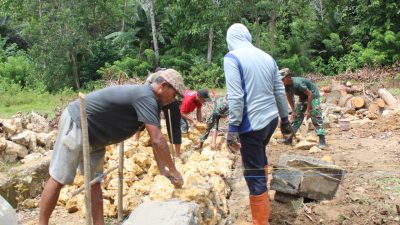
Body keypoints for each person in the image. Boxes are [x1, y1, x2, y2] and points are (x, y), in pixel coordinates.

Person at [38, 69, 185, 225]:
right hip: (78, 123)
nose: (173, 99)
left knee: (95, 182)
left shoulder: (152, 102)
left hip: (96, 136)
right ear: (163, 86)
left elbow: (156, 140)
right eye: (174, 94)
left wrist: (164, 170)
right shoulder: (146, 96)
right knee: (59, 178)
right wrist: (174, 171)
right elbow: (157, 140)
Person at [224, 23, 292, 225]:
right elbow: (279, 92)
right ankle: (264, 205)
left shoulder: (232, 58)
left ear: (230, 39)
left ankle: (260, 221)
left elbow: (235, 97)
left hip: (251, 125)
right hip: (270, 120)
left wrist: (232, 128)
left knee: (253, 175)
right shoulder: (267, 57)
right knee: (259, 157)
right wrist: (285, 120)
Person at [134, 69, 183, 156]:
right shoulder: (153, 79)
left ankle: (177, 153)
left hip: (169, 99)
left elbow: (176, 95)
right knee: (146, 118)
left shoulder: (173, 83)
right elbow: (147, 91)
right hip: (155, 98)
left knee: (174, 123)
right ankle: (136, 140)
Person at [279, 68, 326, 149]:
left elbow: (310, 94)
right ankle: (289, 138)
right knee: (297, 116)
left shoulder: (298, 83)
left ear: (288, 77)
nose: (281, 81)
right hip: (303, 96)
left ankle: (322, 139)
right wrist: (293, 111)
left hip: (313, 95)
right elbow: (289, 97)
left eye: (282, 79)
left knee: (315, 115)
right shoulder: (286, 86)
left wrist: (308, 111)